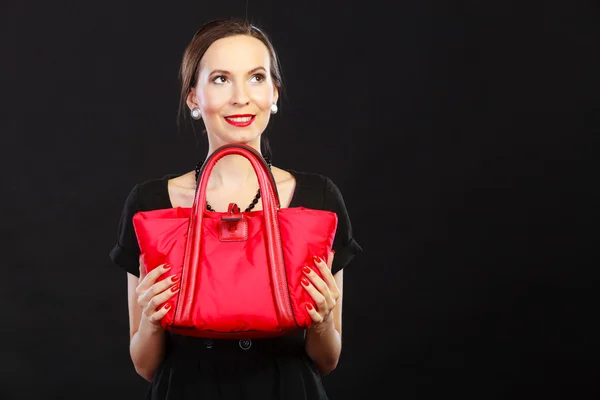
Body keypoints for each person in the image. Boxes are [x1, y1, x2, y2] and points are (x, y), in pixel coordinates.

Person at [109, 18, 362, 400]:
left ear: (274, 92)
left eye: (257, 77)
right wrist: (151, 319)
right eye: (221, 79)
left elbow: (326, 360)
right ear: (194, 96)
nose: (241, 97)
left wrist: (323, 320)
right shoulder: (151, 207)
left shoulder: (318, 201)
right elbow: (146, 366)